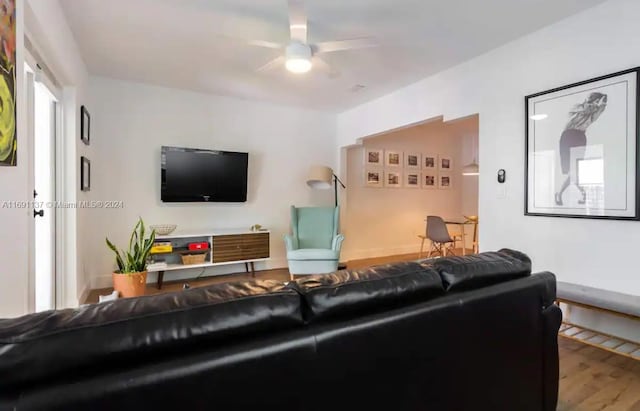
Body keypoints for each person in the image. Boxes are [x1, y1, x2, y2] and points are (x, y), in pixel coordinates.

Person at [555, 92, 607, 206]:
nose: (596, 104)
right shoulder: (578, 107)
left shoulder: (592, 113)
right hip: (568, 136)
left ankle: (563, 194)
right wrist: (594, 104)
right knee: (571, 171)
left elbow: (597, 113)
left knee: (576, 171)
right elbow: (584, 109)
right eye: (596, 101)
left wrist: (602, 105)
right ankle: (579, 194)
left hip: (580, 138)